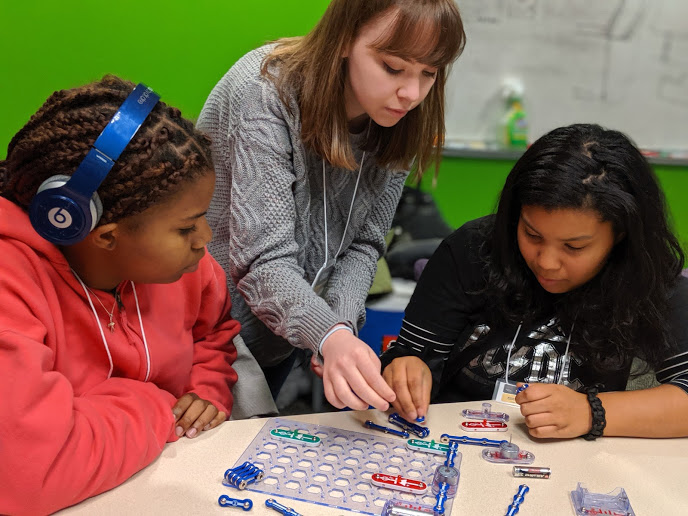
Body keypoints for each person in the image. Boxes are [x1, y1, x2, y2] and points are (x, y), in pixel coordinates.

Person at [197, 0, 466, 412]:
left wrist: (338, 327)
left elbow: (365, 244)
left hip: (283, 334)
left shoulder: (402, 113)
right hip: (207, 337)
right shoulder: (263, 89)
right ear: (343, 39)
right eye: (394, 67)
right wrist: (330, 335)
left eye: (429, 73)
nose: (412, 93)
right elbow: (261, 260)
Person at [0, 76, 240, 514]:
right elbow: (27, 475)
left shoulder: (190, 270)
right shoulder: (10, 281)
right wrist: (154, 404)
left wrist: (206, 389)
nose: (205, 239)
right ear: (105, 236)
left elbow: (212, 336)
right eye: (186, 227)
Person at [381, 124, 688, 439]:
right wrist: (405, 365)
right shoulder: (472, 251)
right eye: (531, 234)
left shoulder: (647, 275)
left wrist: (591, 412)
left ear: (620, 236)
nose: (546, 262)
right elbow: (412, 354)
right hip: (455, 438)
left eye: (574, 247)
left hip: (579, 456)